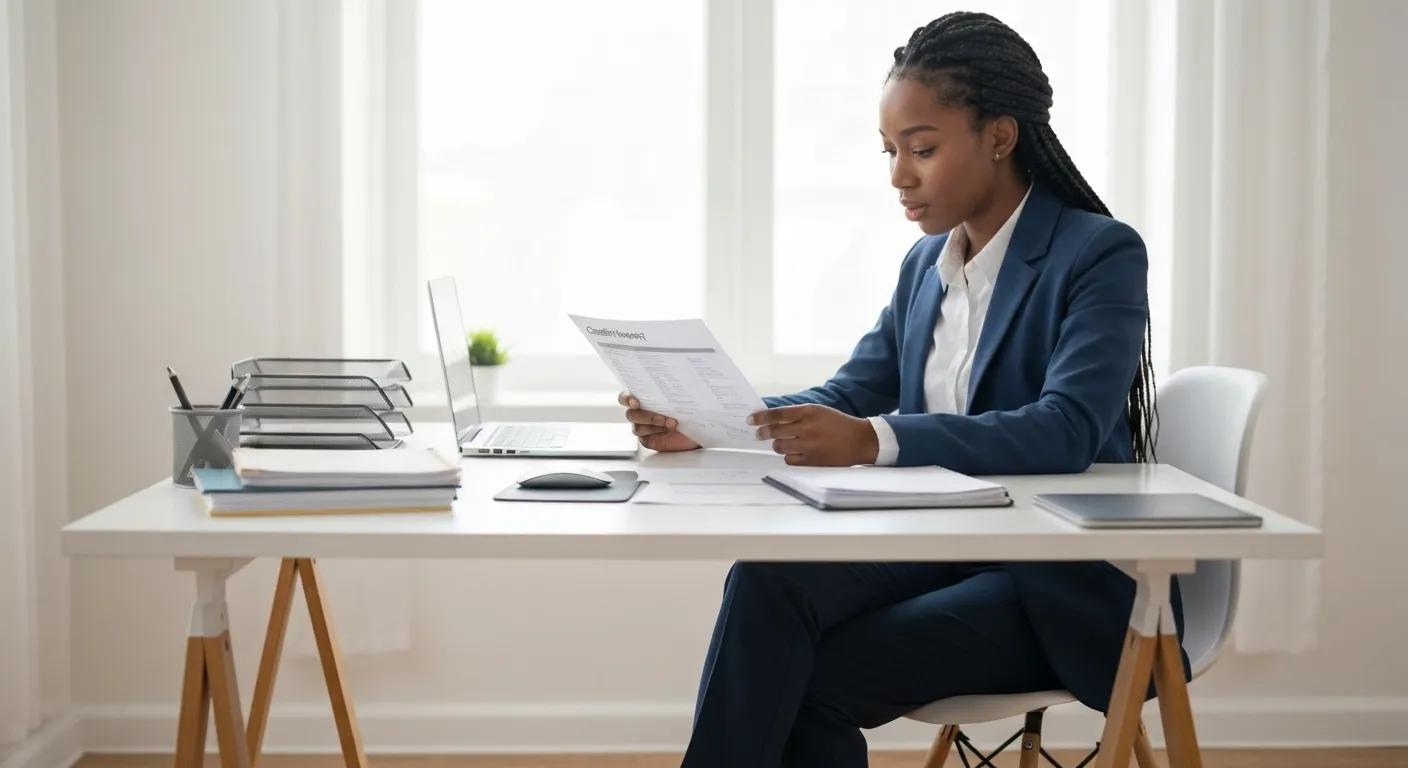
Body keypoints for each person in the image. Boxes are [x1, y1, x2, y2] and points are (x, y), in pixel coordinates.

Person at [617, 12, 1188, 767]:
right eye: (890, 151)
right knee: (766, 584)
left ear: (999, 136)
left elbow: (1066, 429)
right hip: (942, 542)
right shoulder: (926, 266)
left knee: (810, 675)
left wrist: (876, 440)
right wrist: (713, 423)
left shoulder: (1098, 253)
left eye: (922, 148)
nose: (898, 175)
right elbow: (853, 390)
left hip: (1055, 579)